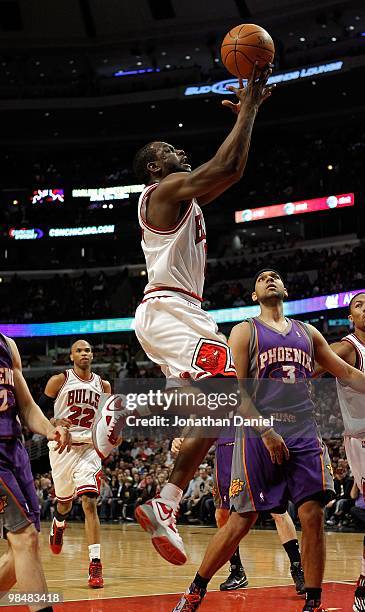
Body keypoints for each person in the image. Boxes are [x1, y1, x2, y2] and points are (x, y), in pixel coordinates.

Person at [173, 269, 365, 612]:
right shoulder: (245, 330)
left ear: (286, 288)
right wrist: (265, 431)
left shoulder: (308, 333)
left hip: (303, 430)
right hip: (257, 433)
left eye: (276, 276)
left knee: (313, 515)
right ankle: (194, 591)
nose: (270, 279)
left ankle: (313, 602)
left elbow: (347, 373)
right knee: (241, 519)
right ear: (253, 295)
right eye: (262, 278)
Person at [172, 435, 305, 594]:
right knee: (221, 513)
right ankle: (237, 570)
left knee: (277, 510)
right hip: (224, 454)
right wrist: (185, 438)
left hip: (252, 449)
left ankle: (298, 569)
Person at [0, 332, 70, 612]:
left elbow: (27, 406)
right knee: (24, 538)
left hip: (15, 451)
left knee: (22, 551)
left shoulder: (7, 345)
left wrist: (51, 429)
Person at [39, 339, 111, 589]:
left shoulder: (104, 385)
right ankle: (59, 522)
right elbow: (38, 410)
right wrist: (55, 421)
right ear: (71, 356)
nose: (85, 354)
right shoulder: (59, 381)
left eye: (89, 350)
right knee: (65, 502)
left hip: (88, 448)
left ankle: (95, 564)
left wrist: (114, 432)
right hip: (62, 448)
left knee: (90, 502)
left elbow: (105, 420)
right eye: (80, 350)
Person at [316, 292, 365, 611]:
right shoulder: (348, 347)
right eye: (359, 305)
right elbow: (316, 363)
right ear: (350, 318)